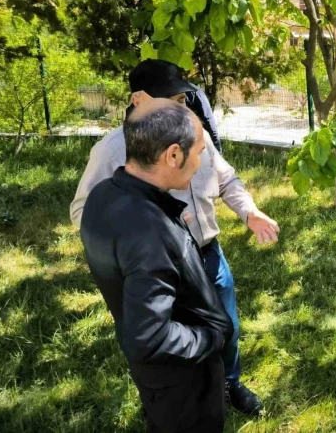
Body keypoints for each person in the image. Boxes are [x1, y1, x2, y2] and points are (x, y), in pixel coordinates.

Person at [71, 61, 280, 415]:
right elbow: (85, 211)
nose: (184, 109)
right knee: (180, 340)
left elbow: (227, 179)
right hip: (164, 264)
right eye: (176, 100)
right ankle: (181, 402)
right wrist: (143, 235)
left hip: (208, 254)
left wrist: (250, 212)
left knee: (225, 326)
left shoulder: (190, 132)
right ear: (140, 100)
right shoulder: (110, 151)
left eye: (184, 100)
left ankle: (229, 383)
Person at [80, 99, 233, 432]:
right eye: (199, 151)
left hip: (156, 381)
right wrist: (211, 338)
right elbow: (149, 338)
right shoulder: (148, 231)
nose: (202, 159)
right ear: (173, 155)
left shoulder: (105, 194)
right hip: (183, 382)